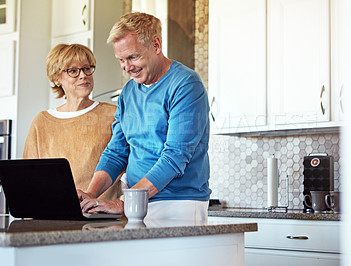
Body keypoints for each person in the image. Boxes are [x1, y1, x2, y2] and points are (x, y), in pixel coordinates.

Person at [79, 12, 211, 221]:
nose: (127, 67)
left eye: (133, 57)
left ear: (156, 45)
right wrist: (90, 195)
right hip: (136, 204)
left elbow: (174, 157)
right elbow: (116, 153)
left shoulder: (186, 85)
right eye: (121, 60)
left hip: (178, 205)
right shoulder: (128, 93)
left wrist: (123, 203)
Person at [23, 43, 121, 200]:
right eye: (73, 71)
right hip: (54, 217)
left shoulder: (114, 114)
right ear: (56, 79)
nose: (83, 75)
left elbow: (129, 167)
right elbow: (29, 178)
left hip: (102, 218)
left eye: (87, 68)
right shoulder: (41, 122)